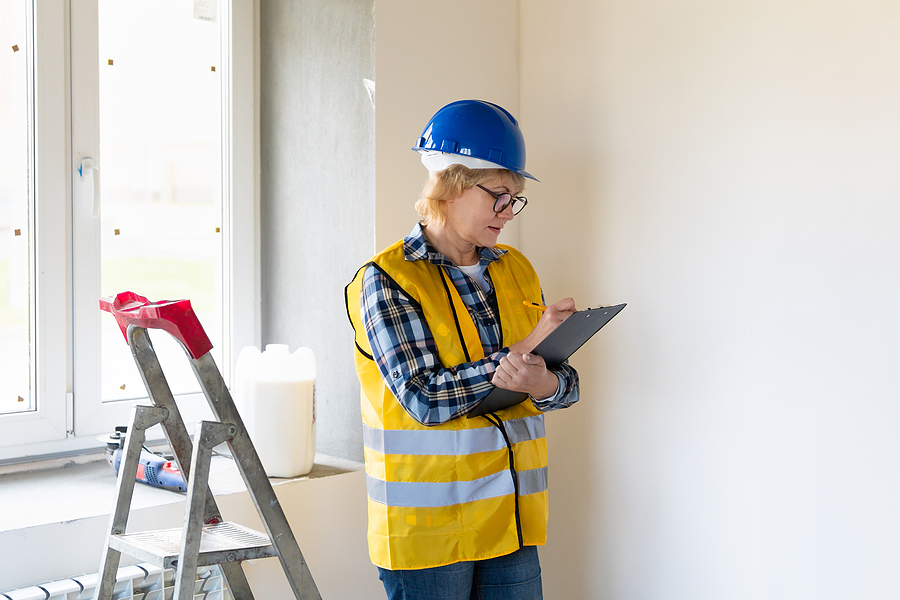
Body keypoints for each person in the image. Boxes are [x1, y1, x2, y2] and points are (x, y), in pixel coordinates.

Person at [345, 99, 580, 600]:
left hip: (510, 520)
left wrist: (547, 383)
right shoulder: (388, 280)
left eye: (514, 199)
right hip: (430, 533)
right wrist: (522, 355)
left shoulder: (516, 268)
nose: (507, 213)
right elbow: (424, 398)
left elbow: (560, 383)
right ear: (449, 185)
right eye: (498, 195)